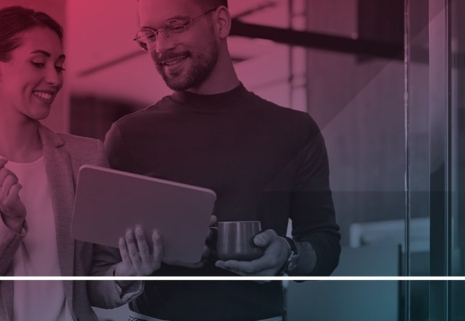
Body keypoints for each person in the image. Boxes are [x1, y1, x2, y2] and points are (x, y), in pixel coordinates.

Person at [0, 6, 162, 321]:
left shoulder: (86, 157)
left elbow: (91, 284)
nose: (54, 78)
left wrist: (126, 272)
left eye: (59, 65)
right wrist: (6, 223)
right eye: (38, 62)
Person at [104, 0, 341, 320]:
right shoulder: (127, 136)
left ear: (220, 23)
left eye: (176, 26)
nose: (161, 46)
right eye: (149, 34)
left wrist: (288, 254)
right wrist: (137, 263)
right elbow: (102, 264)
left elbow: (325, 243)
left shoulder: (295, 131)